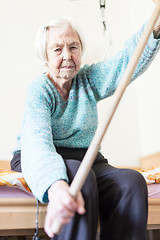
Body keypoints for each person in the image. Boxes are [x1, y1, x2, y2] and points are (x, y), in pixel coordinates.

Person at [11, 16, 160, 240]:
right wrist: (55, 185)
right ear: (45, 55)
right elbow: (36, 141)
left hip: (86, 158)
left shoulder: (88, 80)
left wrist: (155, 30)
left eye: (73, 47)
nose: (67, 56)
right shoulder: (40, 89)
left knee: (131, 182)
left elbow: (124, 62)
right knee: (82, 180)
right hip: (42, 156)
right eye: (57, 49)